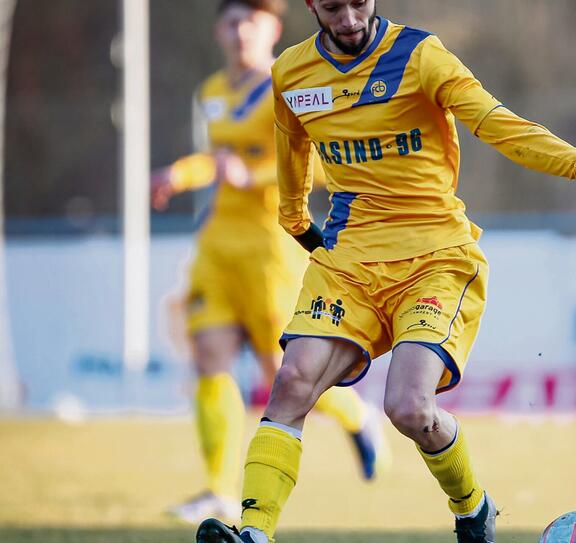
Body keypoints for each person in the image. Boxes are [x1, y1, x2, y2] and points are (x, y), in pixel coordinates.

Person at [193, 1, 576, 542]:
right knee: (291, 382)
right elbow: (293, 174)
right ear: (311, 6)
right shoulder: (291, 73)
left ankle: (472, 507)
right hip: (349, 260)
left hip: (434, 259)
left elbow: (497, 126)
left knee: (408, 407)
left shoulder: (420, 56)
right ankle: (254, 533)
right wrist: (307, 233)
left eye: (360, 3)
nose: (351, 18)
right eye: (334, 7)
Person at [151, 0, 385, 524]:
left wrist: (253, 179)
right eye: (231, 23)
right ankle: (216, 489)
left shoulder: (294, 86)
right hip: (217, 246)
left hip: (270, 250)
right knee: (208, 358)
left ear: (273, 28)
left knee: (284, 374)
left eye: (250, 23)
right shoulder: (211, 91)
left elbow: (326, 166)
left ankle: (356, 416)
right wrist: (179, 175)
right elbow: (217, 162)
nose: (239, 34)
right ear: (218, 30)